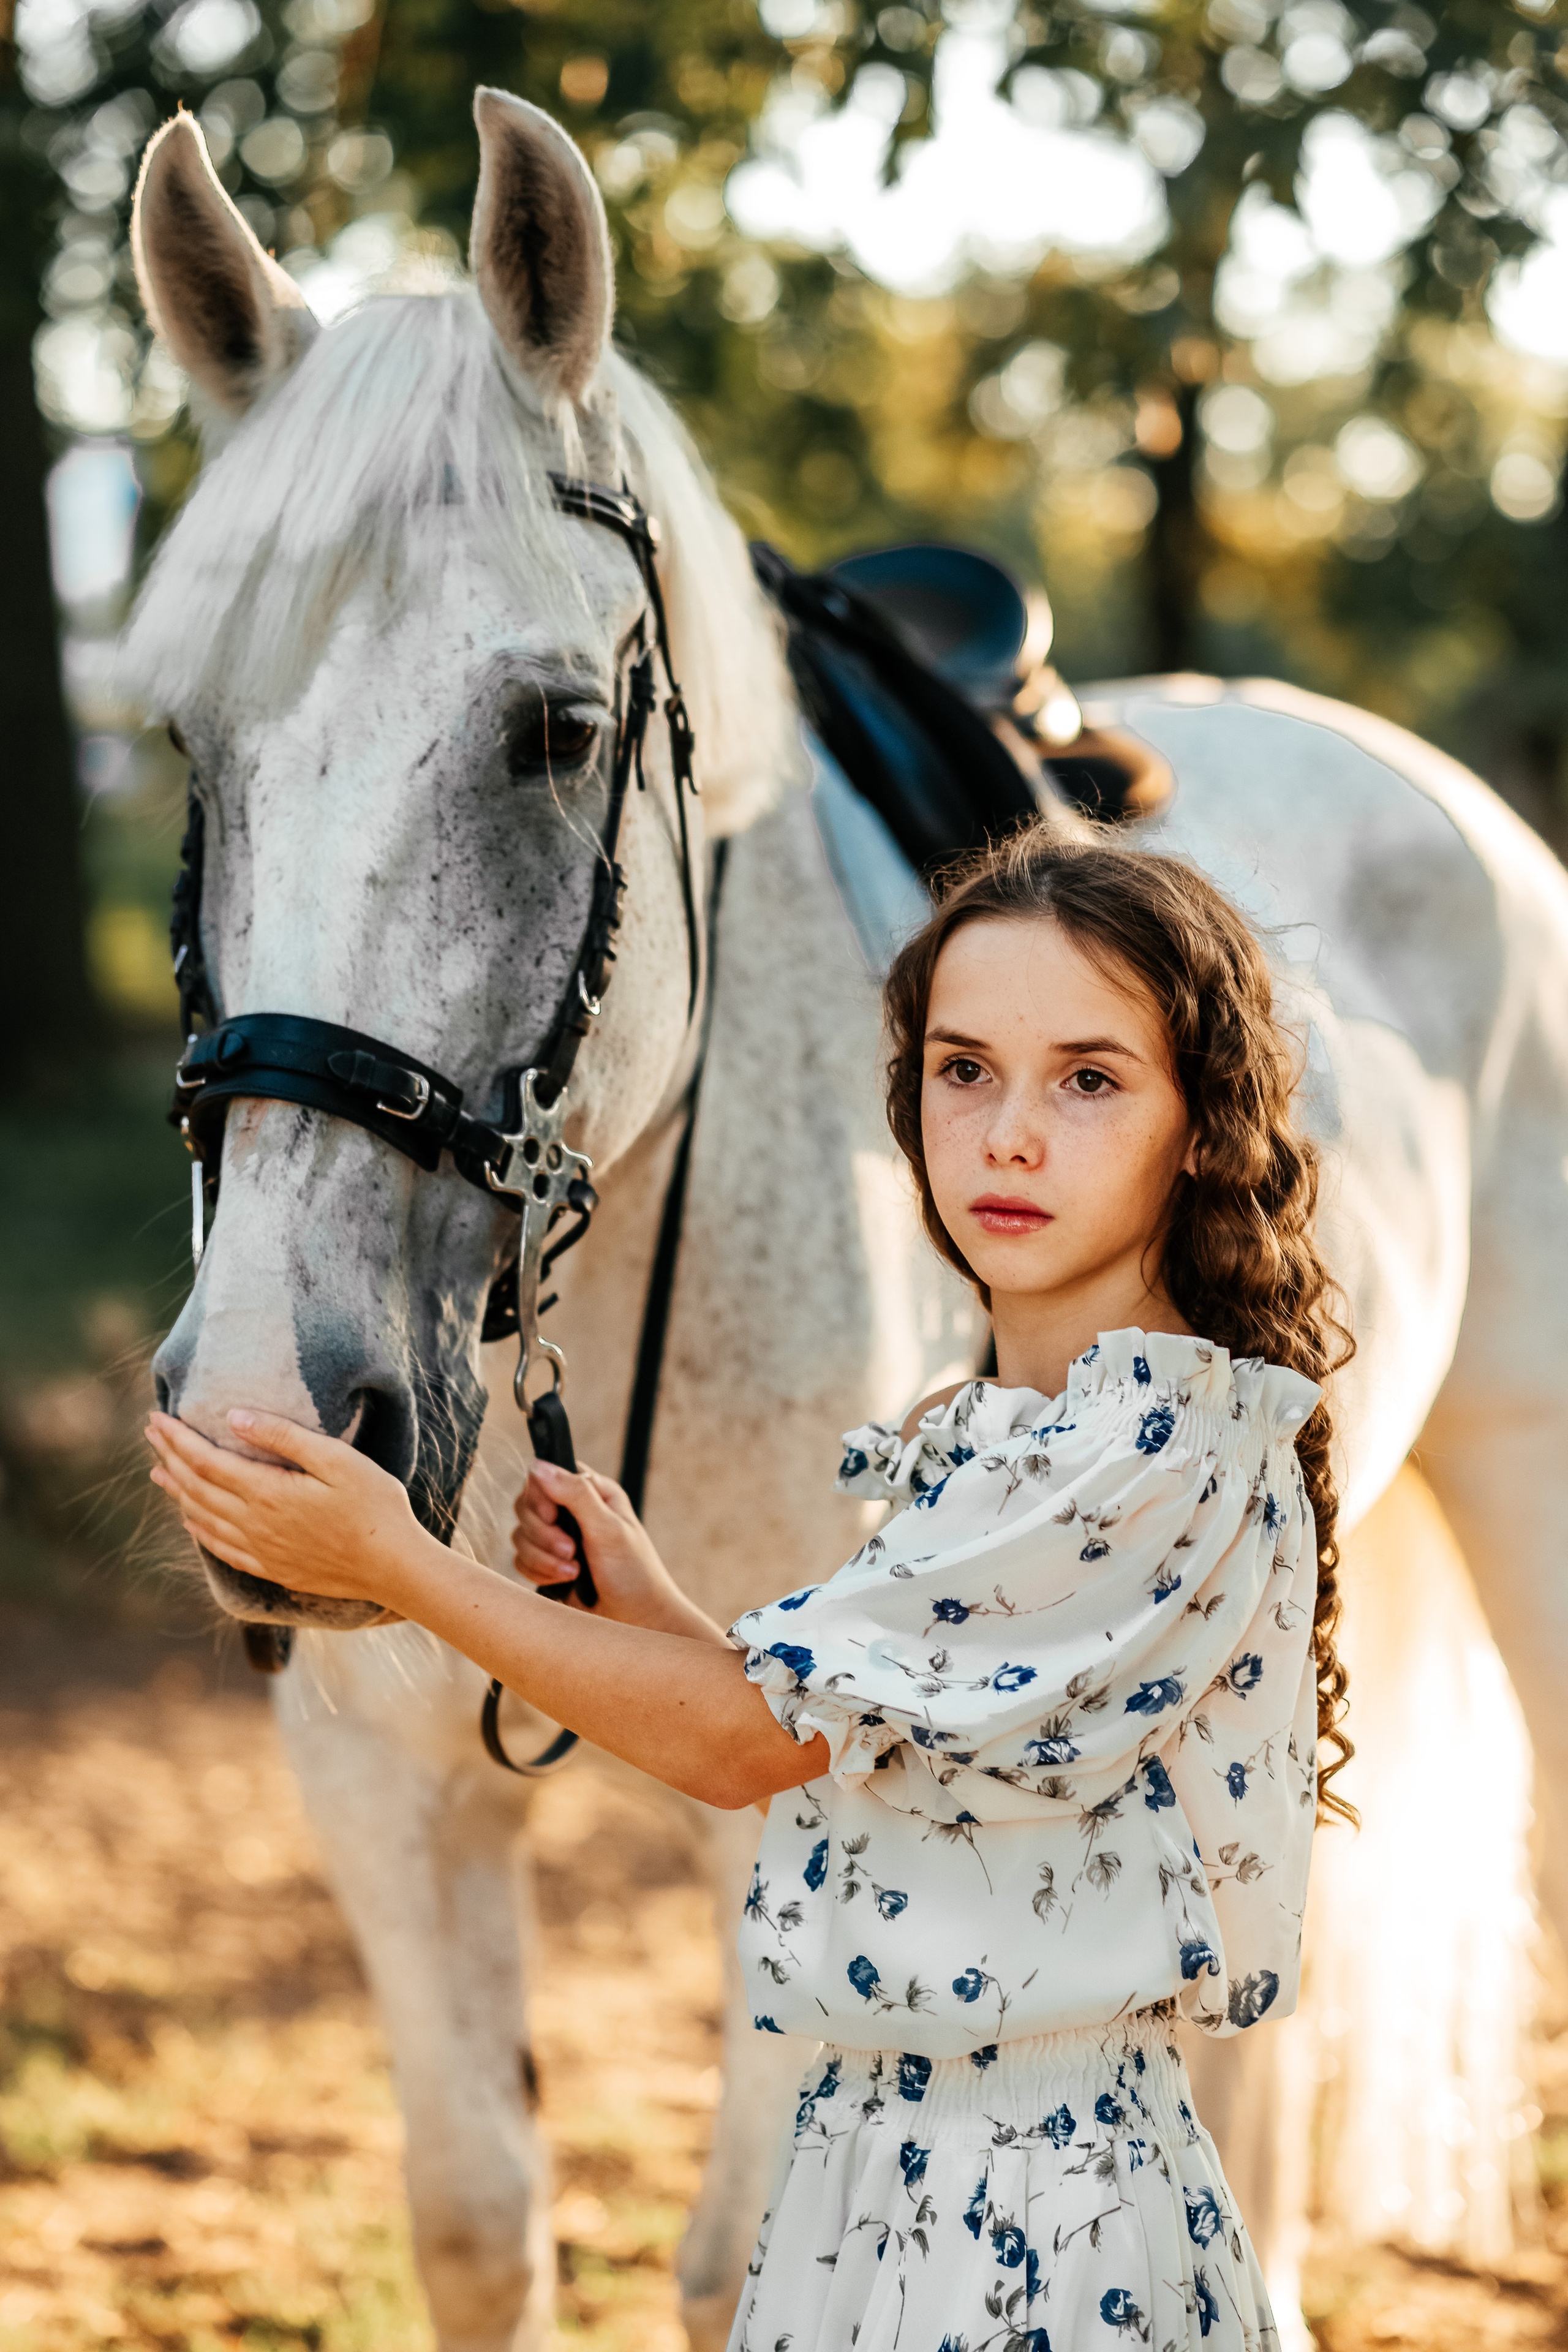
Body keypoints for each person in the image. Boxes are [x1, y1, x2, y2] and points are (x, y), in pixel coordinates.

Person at [146, 824, 1352, 2352]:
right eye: (963, 1069)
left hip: (1036, 2226)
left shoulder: (1143, 1455)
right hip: (884, 2173)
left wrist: (398, 1563)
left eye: (1089, 1079)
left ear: (1202, 1128)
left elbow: (742, 1744)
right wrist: (659, 1614)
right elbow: (874, 1751)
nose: (1008, 1134)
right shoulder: (992, 1438)